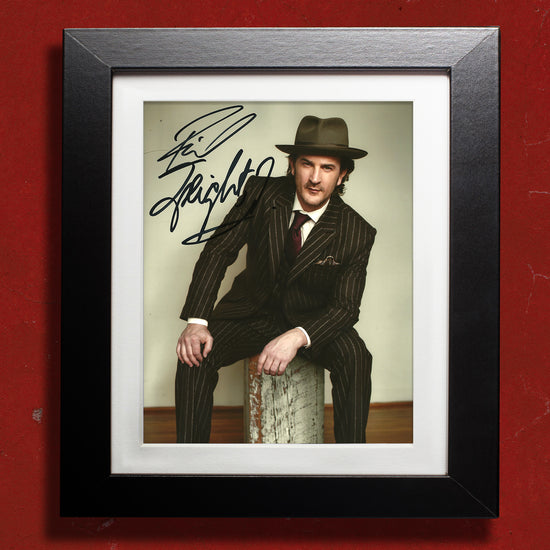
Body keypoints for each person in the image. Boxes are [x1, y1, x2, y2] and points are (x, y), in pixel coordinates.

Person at [175, 115, 376, 443]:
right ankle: (188, 463)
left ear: (343, 175)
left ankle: (351, 465)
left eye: (327, 168)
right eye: (307, 164)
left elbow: (345, 308)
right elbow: (219, 250)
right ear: (291, 165)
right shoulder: (261, 193)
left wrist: (297, 336)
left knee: (356, 355)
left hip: (311, 321)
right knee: (193, 355)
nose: (314, 178)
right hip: (250, 314)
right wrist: (197, 320)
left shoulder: (357, 232)